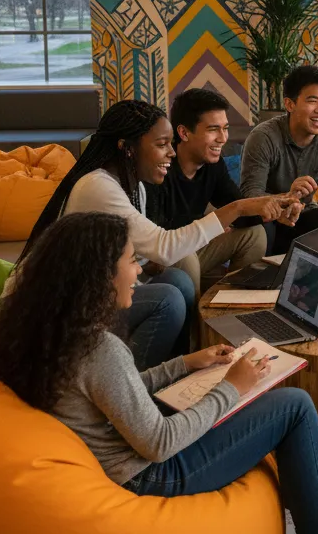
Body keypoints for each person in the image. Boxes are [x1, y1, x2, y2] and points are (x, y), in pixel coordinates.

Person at [0, 212, 318, 534]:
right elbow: (159, 444)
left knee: (230, 395)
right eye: (131, 260)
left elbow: (116, 391)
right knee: (294, 407)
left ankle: (296, 517)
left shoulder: (51, 334)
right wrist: (232, 388)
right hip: (148, 475)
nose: (139, 271)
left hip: (119, 459)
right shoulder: (97, 348)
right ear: (99, 275)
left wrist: (185, 364)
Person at [19, 99, 279, 369]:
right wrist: (236, 208)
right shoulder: (98, 186)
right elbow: (164, 247)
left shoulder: (135, 187)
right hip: (68, 304)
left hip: (102, 288)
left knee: (177, 279)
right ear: (127, 148)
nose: (172, 153)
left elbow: (145, 255)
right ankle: (141, 380)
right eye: (161, 144)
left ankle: (185, 360)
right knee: (168, 299)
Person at [151, 88, 298, 291]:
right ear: (184, 133)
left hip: (195, 247)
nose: (223, 138)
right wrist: (218, 221)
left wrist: (277, 208)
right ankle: (196, 312)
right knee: (185, 255)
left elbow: (239, 211)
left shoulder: (213, 165)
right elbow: (161, 238)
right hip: (163, 258)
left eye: (225, 128)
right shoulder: (160, 168)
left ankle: (232, 301)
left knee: (254, 234)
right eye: (213, 129)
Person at [240, 65, 318, 255]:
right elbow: (250, 196)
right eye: (312, 101)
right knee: (261, 228)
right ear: (290, 104)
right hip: (271, 221)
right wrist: (288, 197)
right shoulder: (263, 137)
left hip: (304, 217)